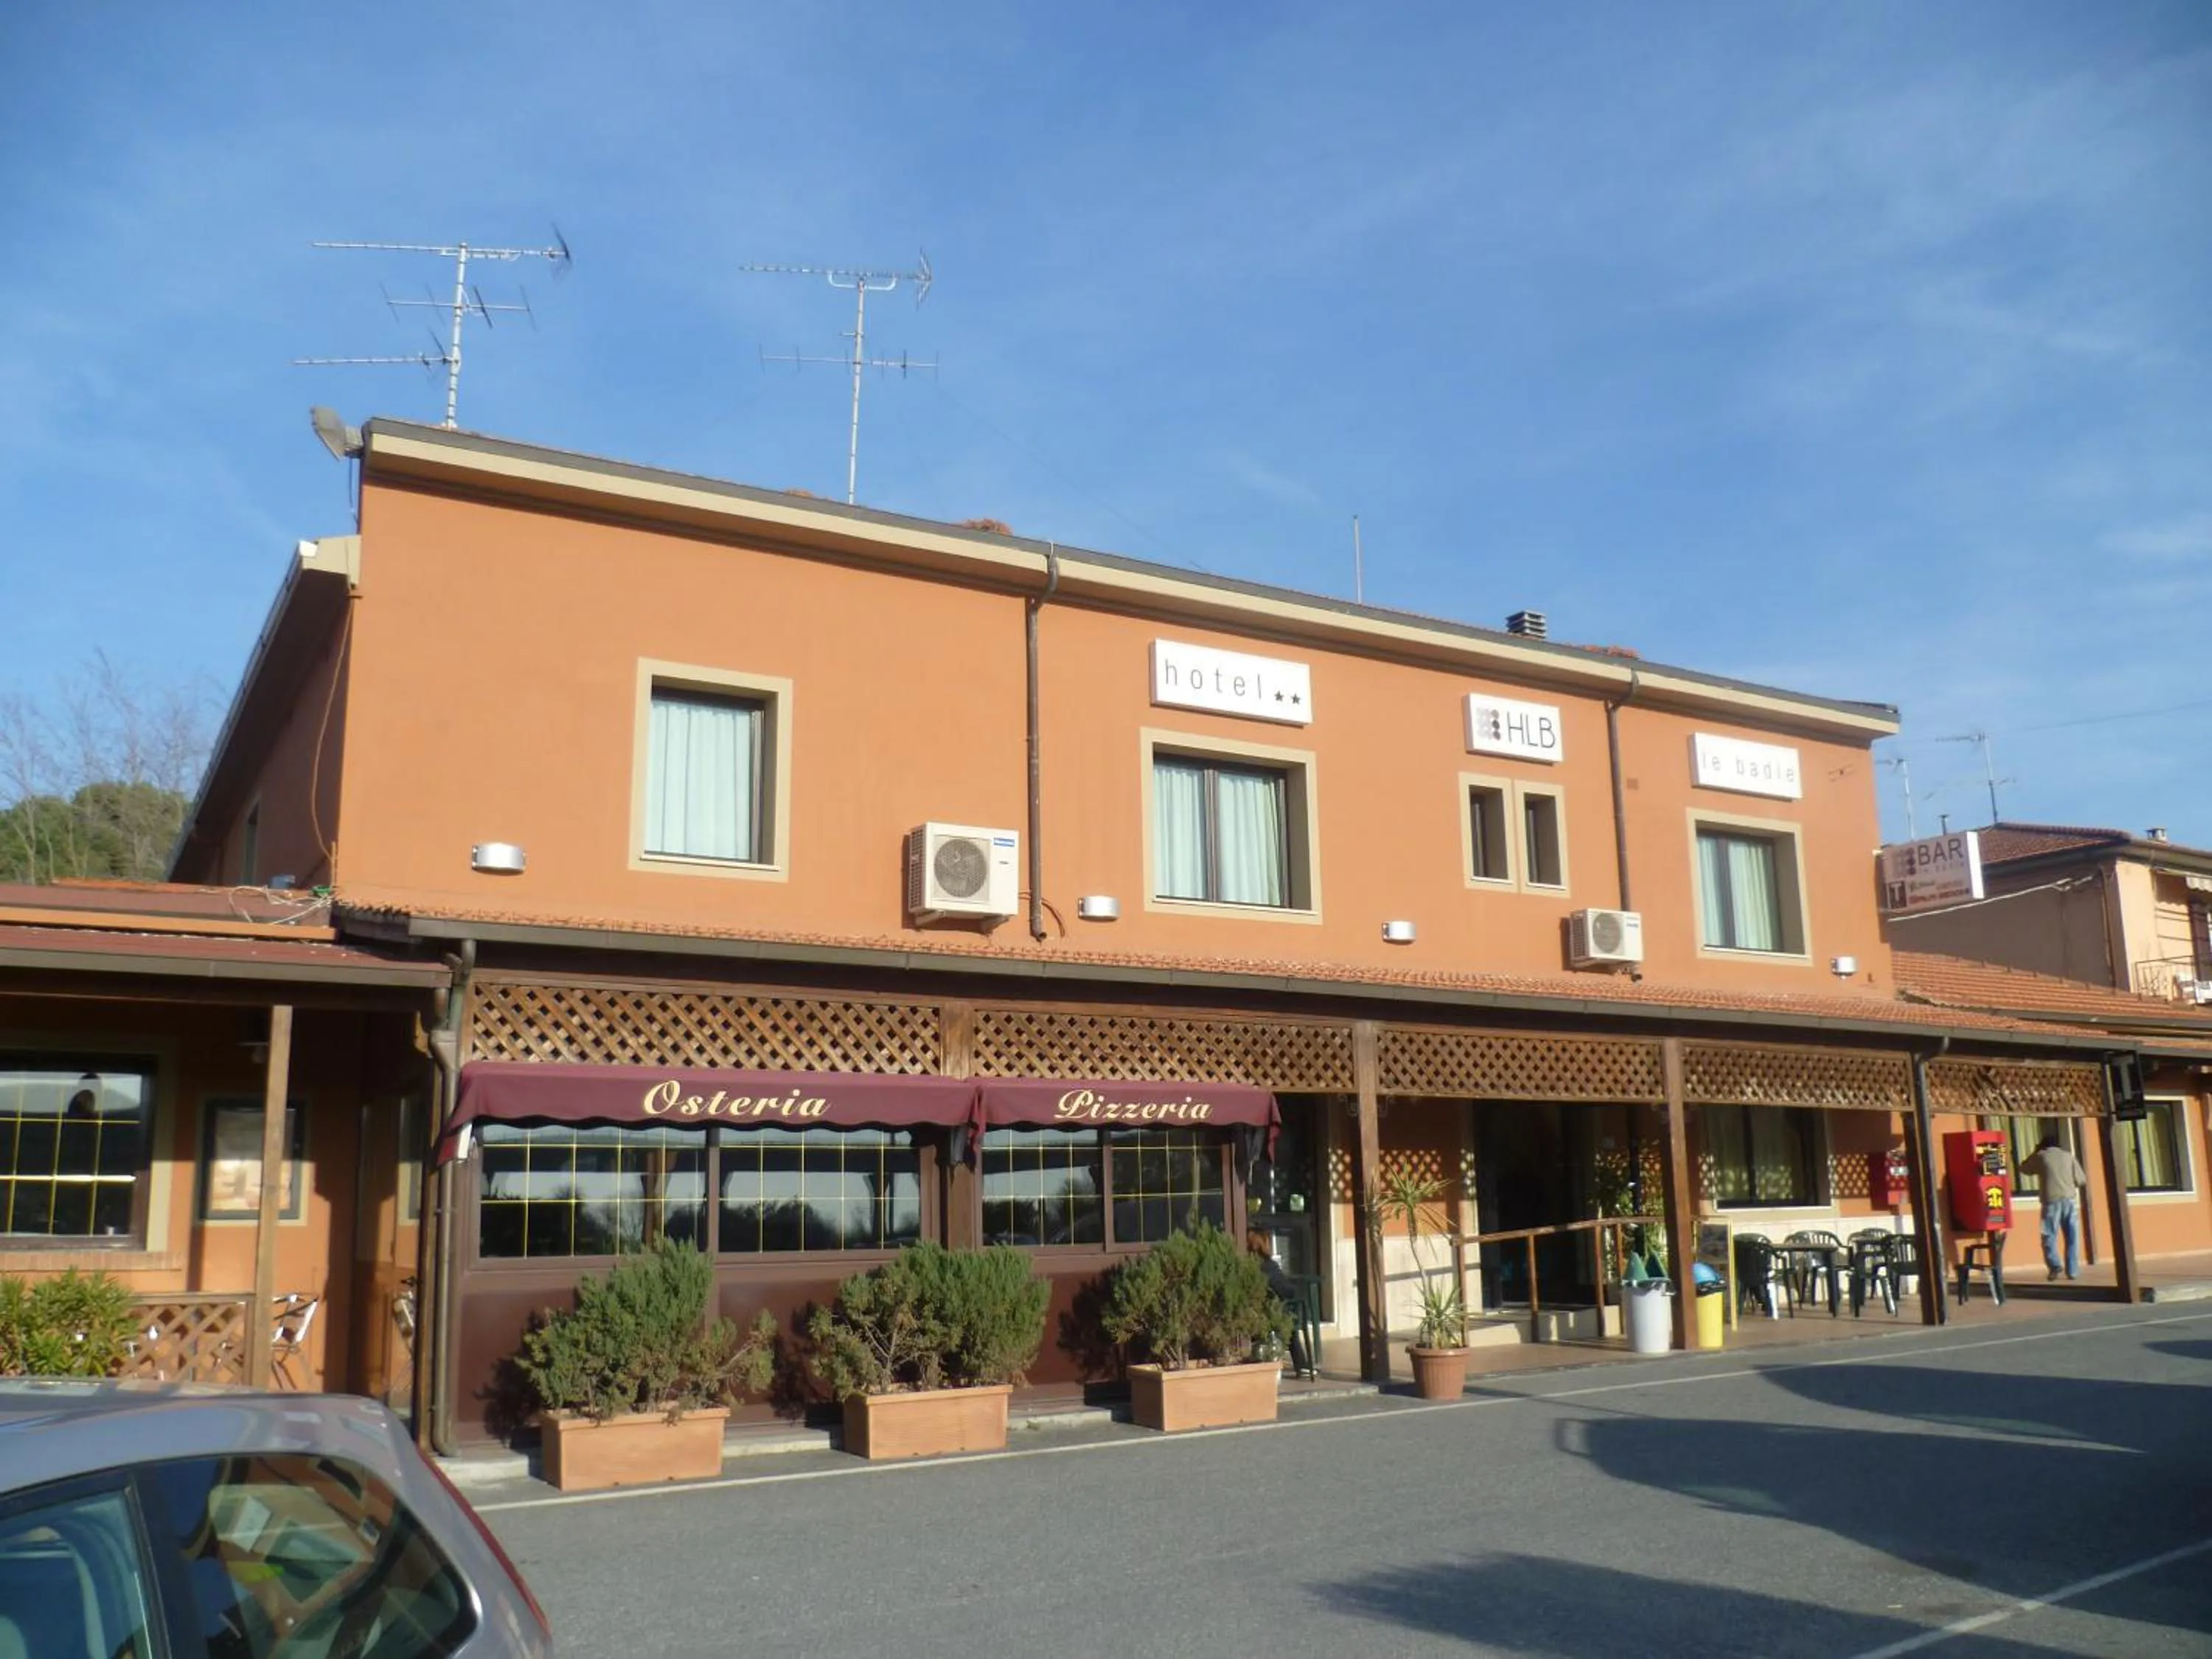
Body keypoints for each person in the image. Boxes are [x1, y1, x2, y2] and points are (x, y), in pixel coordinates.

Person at [2020, 1133, 2087, 1281]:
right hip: (2069, 1201)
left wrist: (2035, 1152)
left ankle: (2055, 1265)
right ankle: (2073, 1271)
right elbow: (2082, 1180)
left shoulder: (2041, 1156)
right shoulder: (2068, 1156)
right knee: (2072, 1237)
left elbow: (2024, 1168)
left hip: (2051, 1201)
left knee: (2049, 1235)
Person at [1246, 1227, 1313, 1377]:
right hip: (1269, 1316)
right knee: (1290, 1325)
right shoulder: (1268, 1266)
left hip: (1254, 1314)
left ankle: (1301, 1365)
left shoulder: (1248, 1265)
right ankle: (1301, 1365)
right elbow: (1286, 1290)